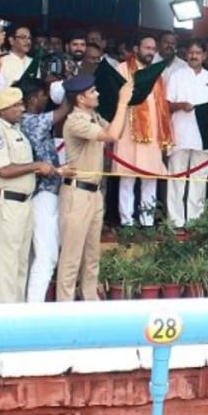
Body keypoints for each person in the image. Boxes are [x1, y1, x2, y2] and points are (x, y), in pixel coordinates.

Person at [57, 74, 133, 301]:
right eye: (92, 92)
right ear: (80, 98)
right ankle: (65, 307)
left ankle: (90, 300)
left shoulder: (93, 117)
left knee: (92, 256)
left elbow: (116, 132)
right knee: (71, 257)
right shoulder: (75, 121)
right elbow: (110, 136)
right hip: (77, 193)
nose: (97, 94)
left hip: (93, 193)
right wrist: (121, 102)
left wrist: (127, 104)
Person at [0, 87, 64, 303]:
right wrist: (37, 165)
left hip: (25, 203)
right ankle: (6, 315)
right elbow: (4, 169)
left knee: (21, 261)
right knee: (7, 262)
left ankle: (18, 313)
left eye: (20, 104)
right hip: (9, 202)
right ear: (2, 109)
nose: (21, 109)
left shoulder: (16, 130)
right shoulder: (0, 131)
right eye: (16, 106)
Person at [17, 78, 72, 302]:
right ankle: (35, 309)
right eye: (42, 95)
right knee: (47, 256)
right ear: (31, 99)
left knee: (35, 255)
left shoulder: (26, 120)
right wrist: (68, 88)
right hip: (43, 194)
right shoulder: (31, 121)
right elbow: (65, 109)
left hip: (38, 193)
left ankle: (28, 304)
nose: (45, 99)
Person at [112, 33, 172, 227]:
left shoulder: (156, 73)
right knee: (127, 177)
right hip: (128, 131)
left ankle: (147, 221)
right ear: (136, 49)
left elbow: (161, 105)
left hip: (153, 133)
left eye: (153, 49)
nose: (150, 52)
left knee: (150, 177)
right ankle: (126, 222)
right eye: (147, 48)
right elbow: (116, 99)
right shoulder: (122, 69)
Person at [166, 39, 208, 228]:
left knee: (199, 180)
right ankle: (175, 221)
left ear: (204, 56)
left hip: (203, 137)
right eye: (191, 52)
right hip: (180, 133)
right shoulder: (177, 76)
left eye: (198, 53)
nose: (194, 56)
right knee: (177, 178)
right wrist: (181, 106)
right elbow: (166, 104)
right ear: (186, 54)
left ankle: (195, 221)